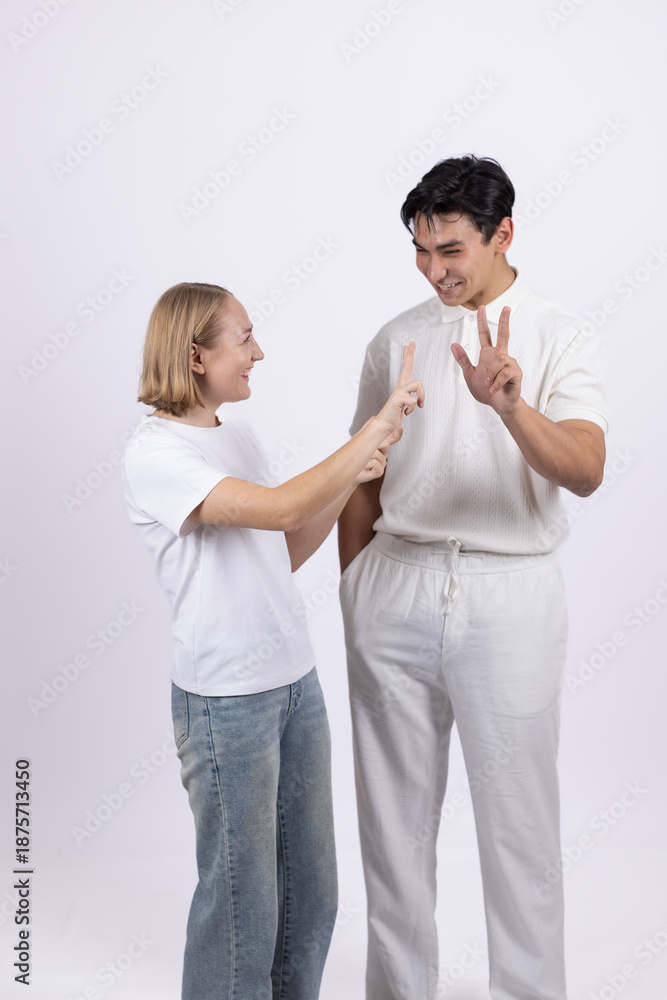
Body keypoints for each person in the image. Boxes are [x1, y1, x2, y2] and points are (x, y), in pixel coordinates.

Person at [338, 155, 608, 1000]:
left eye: (450, 249)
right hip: (395, 583)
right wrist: (354, 594)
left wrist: (511, 408)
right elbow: (363, 476)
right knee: (390, 830)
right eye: (421, 251)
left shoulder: (561, 334)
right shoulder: (395, 338)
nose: (434, 270)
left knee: (519, 830)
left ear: (503, 234)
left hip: (509, 592)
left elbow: (586, 469)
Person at [122, 281, 424, 1000]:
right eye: (245, 338)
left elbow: (283, 545)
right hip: (226, 704)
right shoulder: (155, 454)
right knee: (242, 910)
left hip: (294, 685)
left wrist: (352, 480)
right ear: (196, 357)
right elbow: (283, 506)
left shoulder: (232, 432)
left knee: (312, 895)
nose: (258, 352)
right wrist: (370, 433)